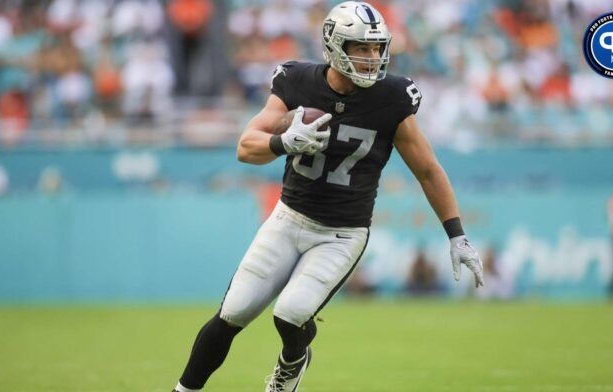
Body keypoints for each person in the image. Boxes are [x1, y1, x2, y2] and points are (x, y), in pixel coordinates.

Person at [172, 2, 484, 391]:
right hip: (289, 219)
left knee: (290, 312)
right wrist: (283, 141)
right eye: (362, 48)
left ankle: (293, 360)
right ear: (335, 46)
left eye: (377, 49)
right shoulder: (297, 81)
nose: (373, 58)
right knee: (234, 311)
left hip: (341, 233)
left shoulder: (392, 97)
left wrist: (456, 234)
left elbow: (427, 170)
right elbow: (245, 146)